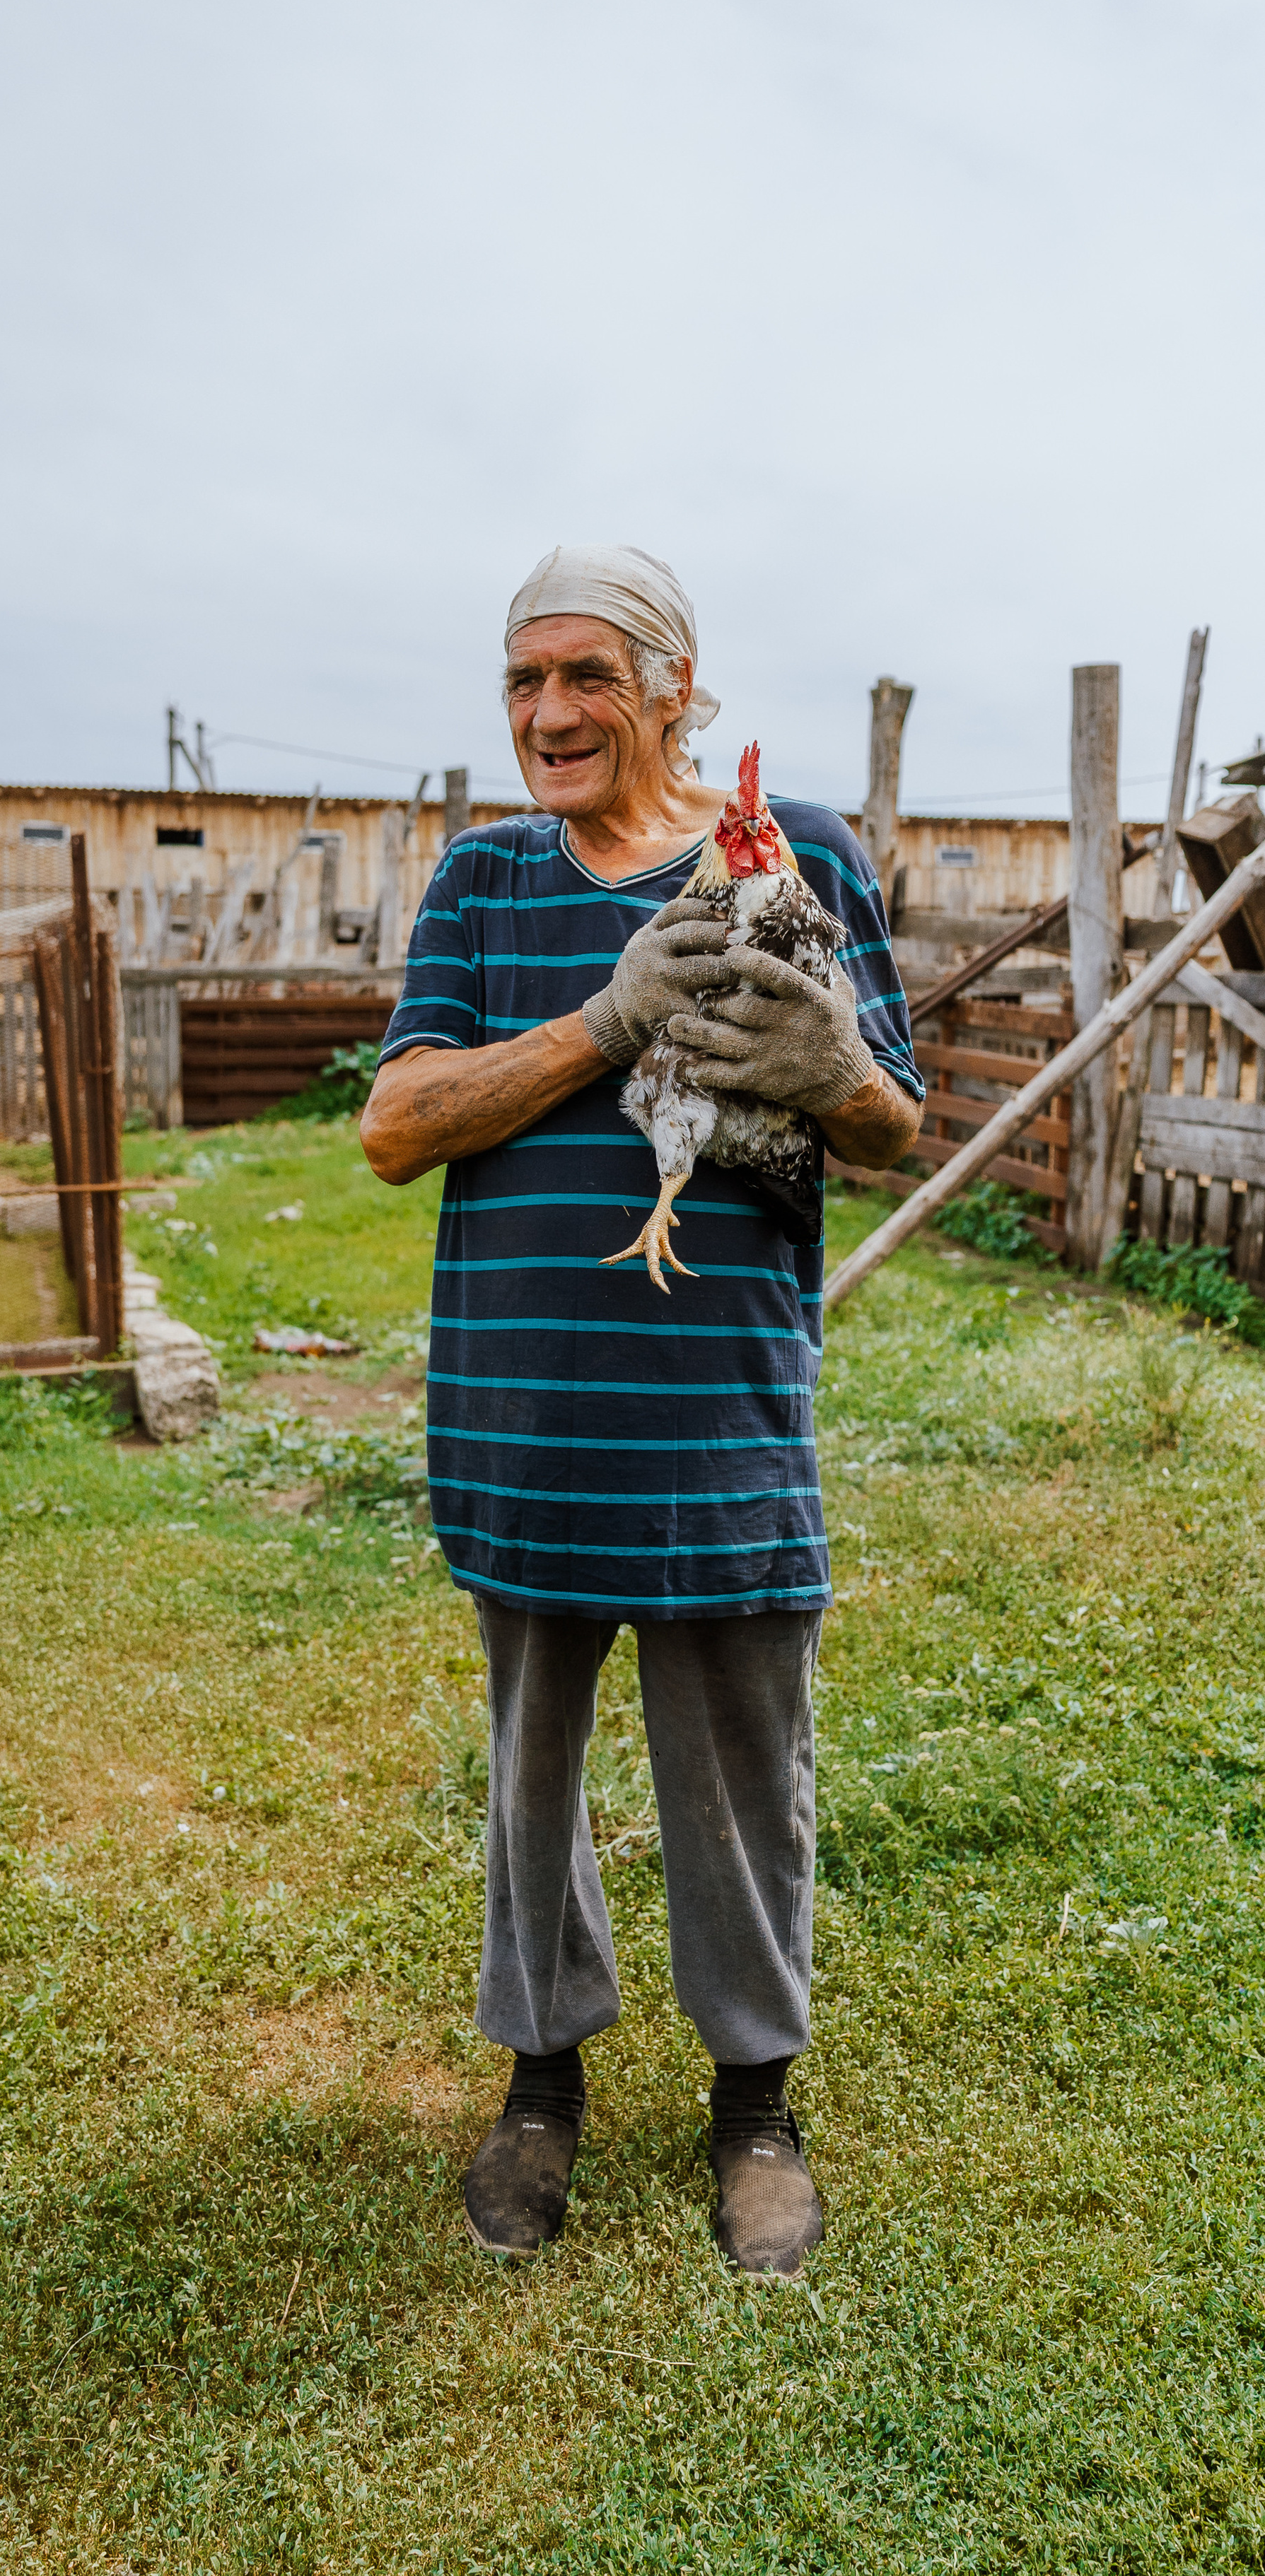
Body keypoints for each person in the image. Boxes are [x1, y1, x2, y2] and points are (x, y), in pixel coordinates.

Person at [359, 546, 923, 2276]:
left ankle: (753, 2111)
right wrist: (604, 1020)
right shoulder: (480, 881)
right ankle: (540, 2086)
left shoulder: (799, 851)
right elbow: (394, 1126)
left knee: (744, 1777)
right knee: (531, 1777)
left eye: (584, 675)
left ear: (672, 686)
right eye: (521, 680)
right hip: (524, 1419)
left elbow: (895, 1122)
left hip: (717, 1425)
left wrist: (837, 1074)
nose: (546, 711)